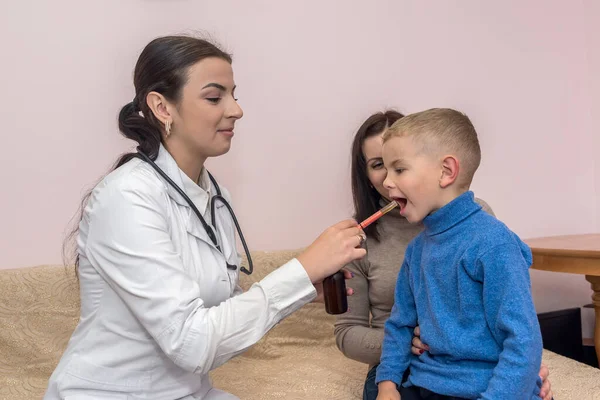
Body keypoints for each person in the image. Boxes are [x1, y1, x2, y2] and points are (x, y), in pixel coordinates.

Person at [43, 35, 366, 400]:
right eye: (215, 97)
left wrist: (301, 289)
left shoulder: (214, 195)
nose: (236, 110)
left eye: (234, 94)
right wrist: (300, 270)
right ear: (162, 108)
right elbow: (191, 344)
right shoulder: (125, 197)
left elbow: (217, 316)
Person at [334, 110, 553, 400]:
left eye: (399, 169)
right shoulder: (415, 251)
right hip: (429, 380)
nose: (388, 181)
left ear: (446, 171)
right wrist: (387, 385)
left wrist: (521, 381)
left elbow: (522, 339)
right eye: (382, 168)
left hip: (487, 386)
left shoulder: (494, 242)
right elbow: (399, 324)